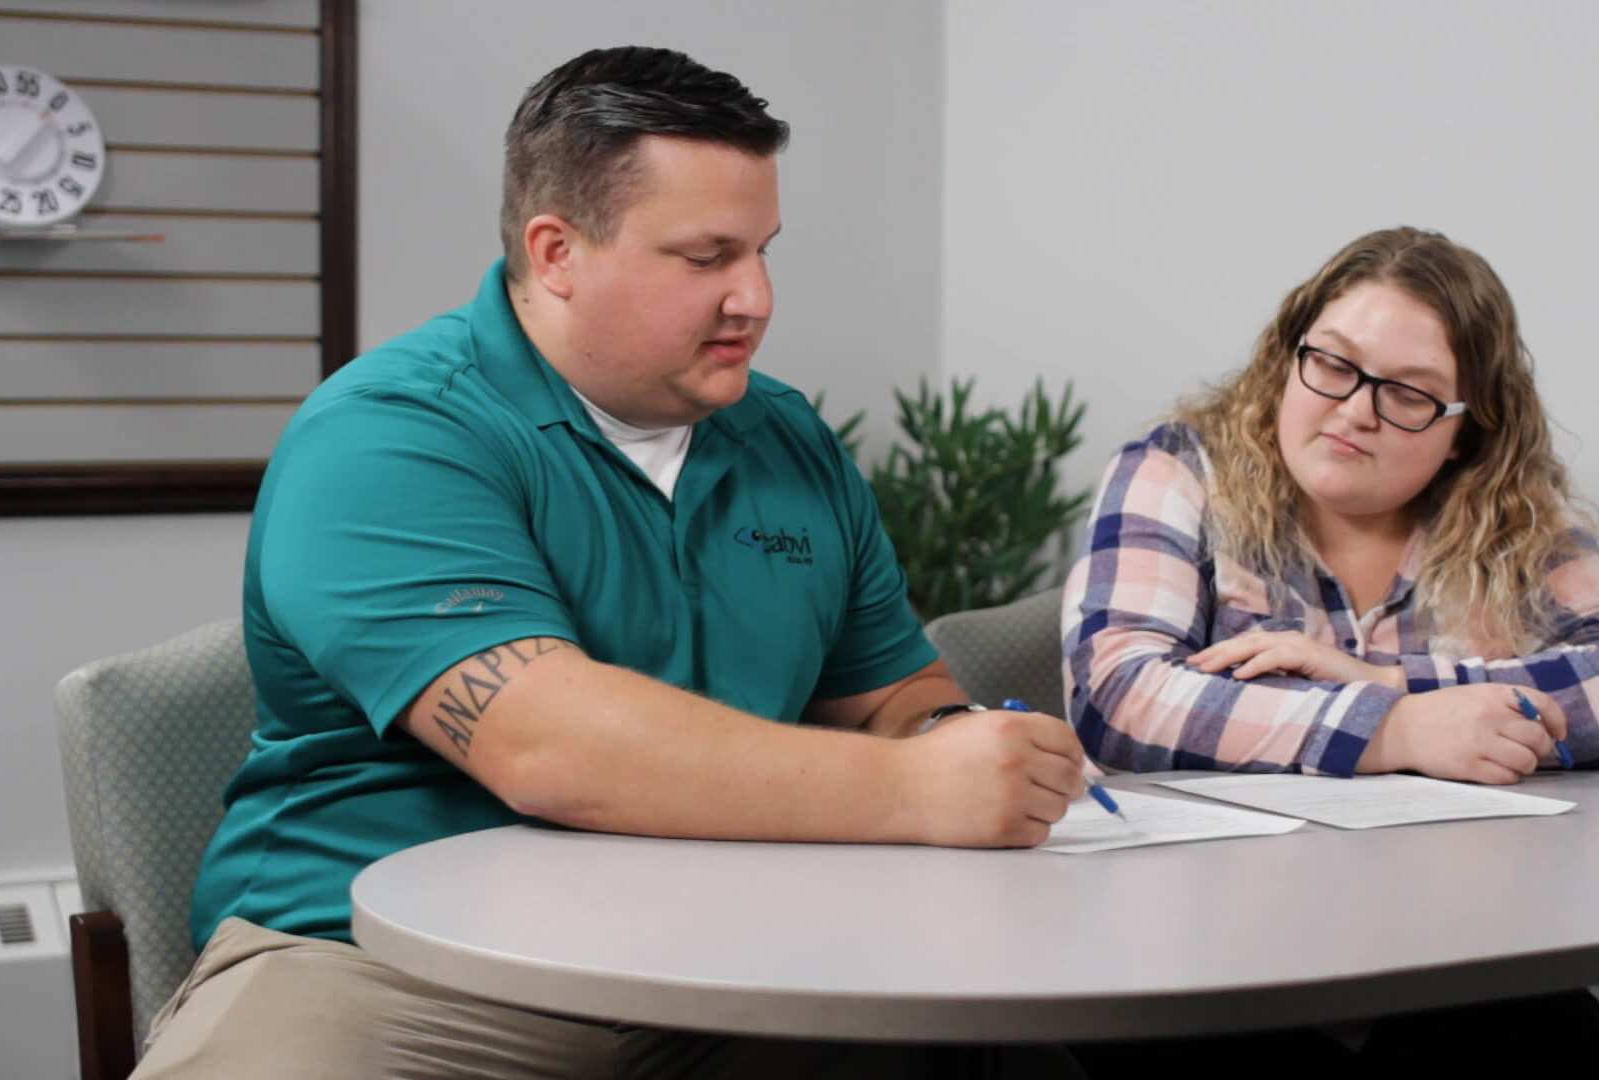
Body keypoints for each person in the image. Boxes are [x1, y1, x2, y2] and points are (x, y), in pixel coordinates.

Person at [131, 46, 1088, 1079]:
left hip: (744, 958)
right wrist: (917, 791)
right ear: (556, 252)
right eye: (706, 256)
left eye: (765, 250)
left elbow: (892, 692)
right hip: (387, 966)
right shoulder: (388, 435)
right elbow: (550, 749)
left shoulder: (787, 441)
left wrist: (951, 738)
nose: (755, 298)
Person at [1060, 226, 1599, 1077]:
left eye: (1410, 395)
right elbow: (1117, 693)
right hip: (1214, 964)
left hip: (1464, 961)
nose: (1357, 409)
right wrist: (1393, 730)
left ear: (1466, 431)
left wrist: (1394, 679)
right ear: (1290, 355)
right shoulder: (1181, 469)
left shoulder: (1509, 511)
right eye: (1334, 364)